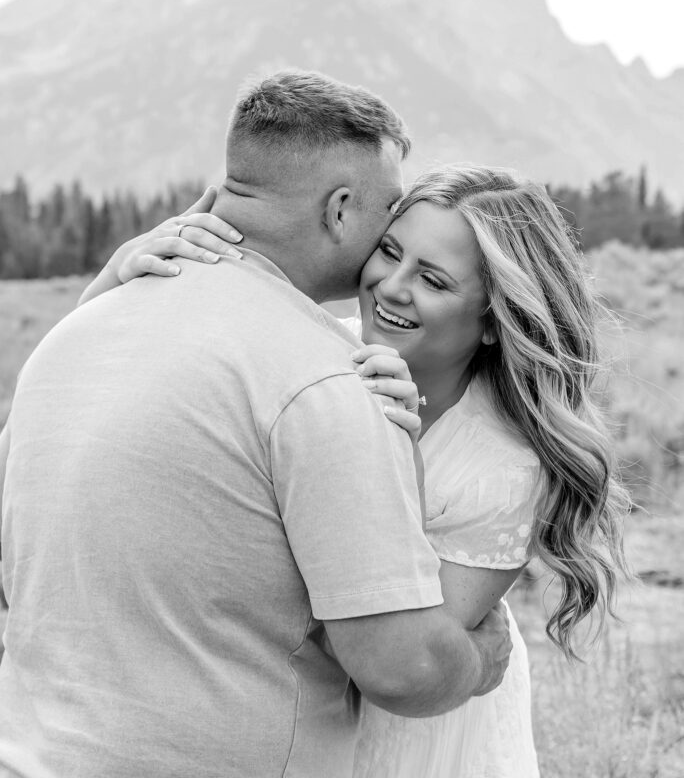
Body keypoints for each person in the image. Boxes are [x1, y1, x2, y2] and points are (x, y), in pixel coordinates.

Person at [0, 71, 513, 778]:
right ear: (340, 210)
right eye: (387, 211)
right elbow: (398, 668)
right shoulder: (331, 380)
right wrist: (479, 661)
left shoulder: (73, 335)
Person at [98, 162, 631, 777]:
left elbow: (403, 656)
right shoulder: (311, 343)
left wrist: (394, 459)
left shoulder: (504, 467)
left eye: (432, 279)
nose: (391, 286)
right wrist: (115, 286)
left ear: (492, 321)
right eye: (389, 251)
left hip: (412, 732)